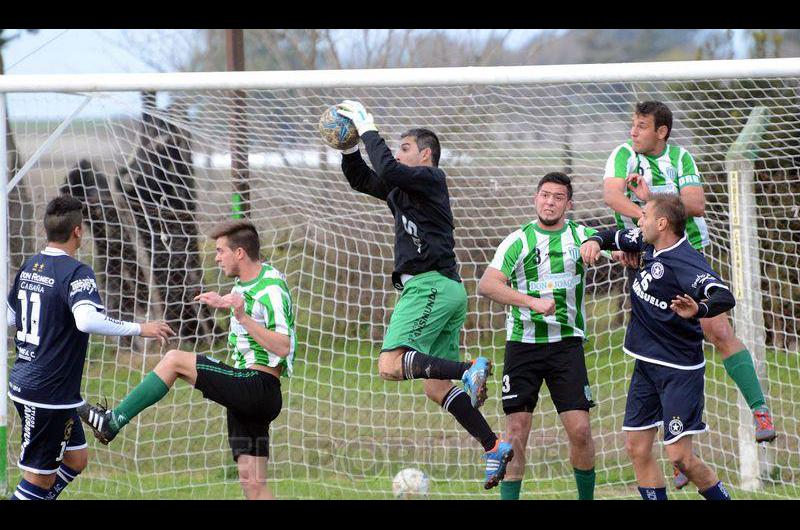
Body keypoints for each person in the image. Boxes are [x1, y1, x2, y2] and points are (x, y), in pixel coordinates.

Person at [335, 100, 512, 489]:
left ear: (425, 154)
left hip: (429, 284)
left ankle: (469, 368)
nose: (398, 155)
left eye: (405, 148)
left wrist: (367, 127)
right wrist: (349, 148)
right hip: (445, 289)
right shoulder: (403, 190)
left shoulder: (432, 178)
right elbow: (364, 179)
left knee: (389, 365)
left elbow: (387, 167)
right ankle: (493, 445)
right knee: (436, 388)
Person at [603, 100, 775, 487]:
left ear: (661, 131)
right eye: (633, 124)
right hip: (648, 254)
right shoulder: (622, 156)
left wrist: (654, 201)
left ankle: (759, 409)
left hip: (688, 256)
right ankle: (681, 447)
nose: (633, 131)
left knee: (718, 333)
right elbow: (613, 197)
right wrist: (643, 227)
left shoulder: (680, 158)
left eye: (641, 126)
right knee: (663, 347)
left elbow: (696, 204)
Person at [79, 220, 293, 500]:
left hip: (258, 386)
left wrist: (242, 317)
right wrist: (227, 302)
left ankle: (113, 421)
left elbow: (283, 346)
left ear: (239, 253)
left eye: (220, 251)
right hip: (246, 390)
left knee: (174, 360)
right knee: (252, 484)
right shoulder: (244, 285)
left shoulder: (272, 288)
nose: (216, 258)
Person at [6, 195, 173, 500]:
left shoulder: (30, 266)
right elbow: (86, 321)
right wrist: (141, 328)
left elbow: (10, 316)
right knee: (37, 482)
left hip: (44, 388)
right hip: (47, 395)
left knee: (76, 459)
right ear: (79, 231)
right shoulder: (76, 272)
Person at [479, 172, 624, 500]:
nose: (550, 201)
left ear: (568, 204)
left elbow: (617, 243)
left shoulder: (579, 235)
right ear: (536, 199)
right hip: (524, 346)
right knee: (516, 432)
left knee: (581, 431)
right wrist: (530, 302)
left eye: (558, 197)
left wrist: (601, 243)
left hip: (566, 348)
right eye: (545, 195)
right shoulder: (518, 240)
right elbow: (487, 284)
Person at [581, 193, 735, 500]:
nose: (640, 221)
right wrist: (596, 240)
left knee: (680, 457)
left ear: (662, 223)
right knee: (636, 448)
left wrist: (700, 310)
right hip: (645, 365)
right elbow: (615, 236)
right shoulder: (647, 241)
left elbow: (723, 296)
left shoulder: (686, 262)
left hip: (679, 370)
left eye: (645, 216)